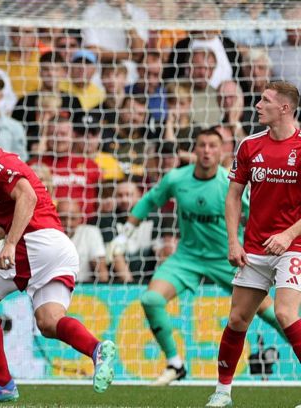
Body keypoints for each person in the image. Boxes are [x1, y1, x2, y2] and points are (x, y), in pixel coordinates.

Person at [0, 112, 116, 403]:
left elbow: (28, 199)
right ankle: (96, 350)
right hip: (58, 247)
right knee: (49, 322)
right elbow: (0, 224)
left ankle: (2, 383)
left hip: (33, 242)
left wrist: (10, 245)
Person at [110, 129, 281, 386]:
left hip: (227, 258)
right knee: (151, 299)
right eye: (202, 145)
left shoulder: (229, 183)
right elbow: (149, 201)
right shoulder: (176, 178)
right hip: (187, 257)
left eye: (213, 146)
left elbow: (258, 212)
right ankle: (175, 364)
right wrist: (125, 233)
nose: (207, 151)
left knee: (274, 314)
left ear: (222, 151)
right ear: (195, 149)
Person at [206, 81, 301, 408]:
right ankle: (222, 393)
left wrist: (288, 235)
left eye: (265, 100)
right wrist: (233, 241)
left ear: (285, 108)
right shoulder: (249, 145)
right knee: (236, 320)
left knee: (285, 313)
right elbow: (233, 196)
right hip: (256, 248)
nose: (258, 105)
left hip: (293, 246)